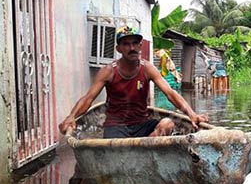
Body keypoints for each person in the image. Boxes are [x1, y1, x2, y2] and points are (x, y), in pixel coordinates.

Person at [58, 25, 208, 138]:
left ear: (140, 45)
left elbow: (170, 93)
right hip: (116, 126)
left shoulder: (147, 68)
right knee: (114, 146)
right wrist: (71, 117)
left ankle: (147, 147)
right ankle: (145, 148)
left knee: (168, 123)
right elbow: (88, 98)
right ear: (118, 48)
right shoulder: (109, 71)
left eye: (135, 43)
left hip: (141, 125)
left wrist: (192, 114)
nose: (132, 48)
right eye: (126, 44)